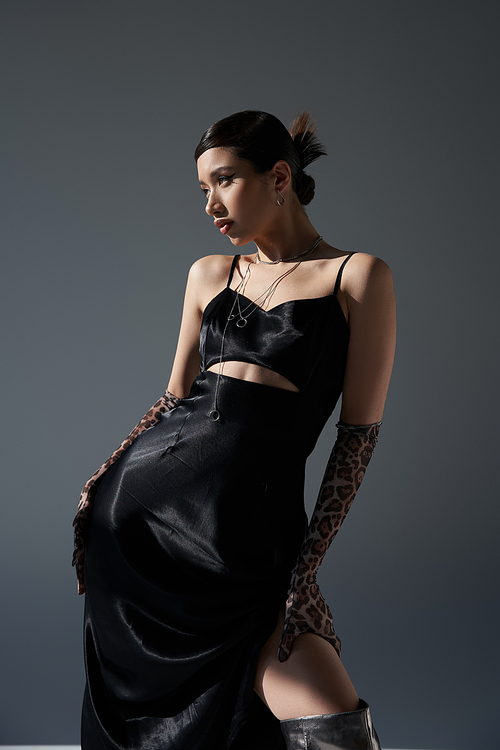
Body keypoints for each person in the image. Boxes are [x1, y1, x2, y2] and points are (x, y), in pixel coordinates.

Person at [73, 110, 396, 750]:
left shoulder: (356, 278)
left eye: (223, 182)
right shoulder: (209, 274)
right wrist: (100, 482)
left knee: (331, 719)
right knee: (148, 714)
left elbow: (355, 440)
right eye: (202, 191)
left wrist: (305, 572)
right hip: (141, 530)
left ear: (279, 176)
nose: (210, 204)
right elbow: (171, 404)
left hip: (248, 543)